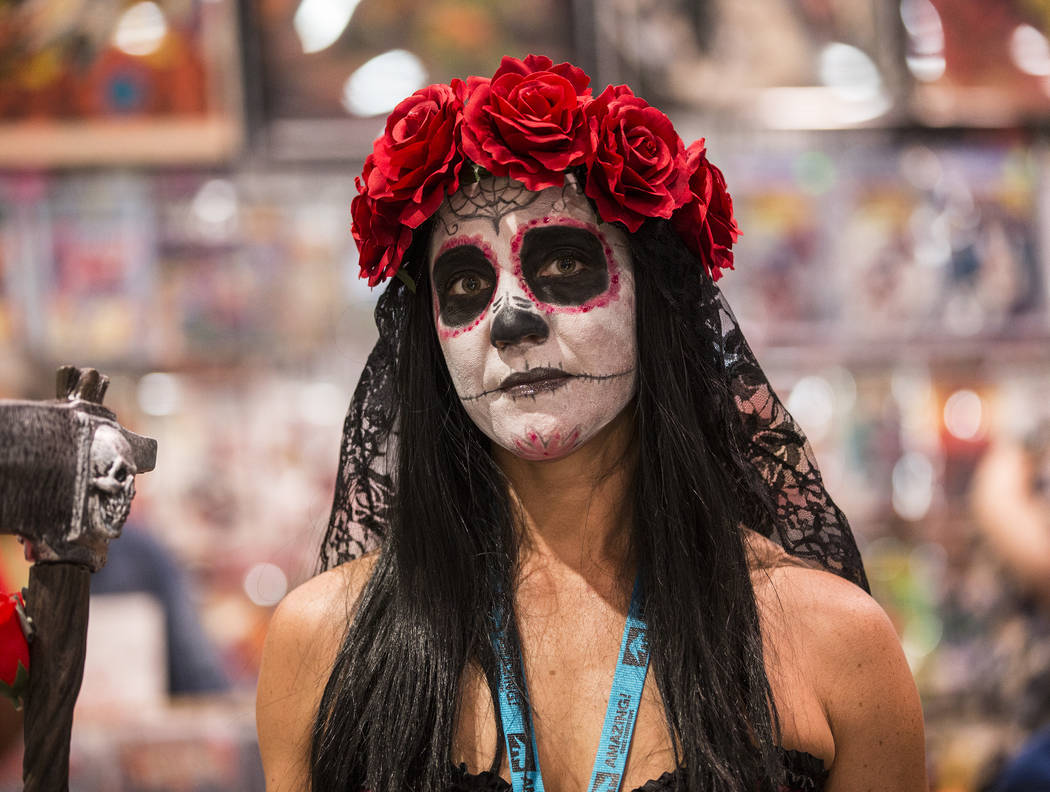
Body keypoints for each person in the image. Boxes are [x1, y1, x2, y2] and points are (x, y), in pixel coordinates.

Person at [256, 55, 926, 792]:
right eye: (469, 284)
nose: (512, 321)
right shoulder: (320, 644)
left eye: (565, 264)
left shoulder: (836, 642)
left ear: (654, 299)